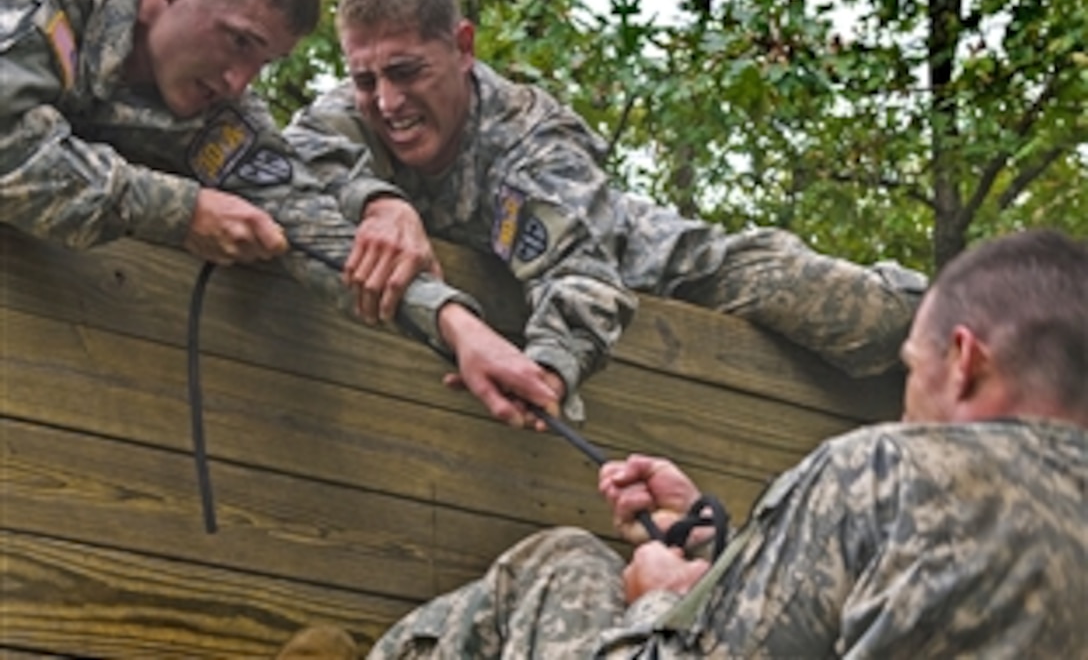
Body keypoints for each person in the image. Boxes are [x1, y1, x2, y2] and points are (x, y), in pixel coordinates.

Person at [277, 227, 1088, 658]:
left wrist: (660, 596)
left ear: (965, 359)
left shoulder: (884, 473)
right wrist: (723, 555)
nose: (910, 402)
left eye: (911, 368)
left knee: (562, 564)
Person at [284, 0, 928, 423]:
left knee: (844, 309)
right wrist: (380, 203)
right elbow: (291, 161)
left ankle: (958, 316)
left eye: (406, 72)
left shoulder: (534, 136)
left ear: (462, 48)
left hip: (654, 265)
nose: (387, 102)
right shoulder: (349, 113)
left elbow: (583, 274)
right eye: (367, 80)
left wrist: (551, 363)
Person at [0, 0, 562, 424]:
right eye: (239, 41)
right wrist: (183, 210)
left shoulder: (223, 117)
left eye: (263, 62)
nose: (238, 81)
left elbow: (312, 229)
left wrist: (459, 327)